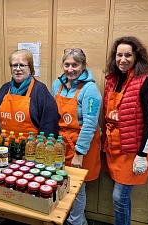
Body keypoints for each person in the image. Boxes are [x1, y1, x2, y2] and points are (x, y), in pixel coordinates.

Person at [103, 36, 148, 225]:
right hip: (113, 149)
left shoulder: (146, 80)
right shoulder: (112, 79)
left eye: (128, 55)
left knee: (120, 198)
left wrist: (142, 154)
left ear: (137, 57)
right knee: (120, 199)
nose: (123, 59)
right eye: (119, 55)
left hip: (132, 152)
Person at [52, 48, 102, 225]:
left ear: (83, 66)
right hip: (61, 143)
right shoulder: (56, 85)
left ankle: (77, 221)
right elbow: (52, 115)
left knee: (77, 186)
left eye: (75, 64)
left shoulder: (91, 90)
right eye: (67, 64)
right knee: (60, 182)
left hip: (82, 144)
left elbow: (90, 123)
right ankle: (62, 217)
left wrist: (79, 153)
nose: (70, 69)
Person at [0, 49, 59, 138]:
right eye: (14, 65)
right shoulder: (5, 89)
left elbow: (49, 125)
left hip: (31, 148)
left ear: (30, 68)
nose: (18, 69)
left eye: (22, 65)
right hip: (5, 147)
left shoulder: (40, 91)